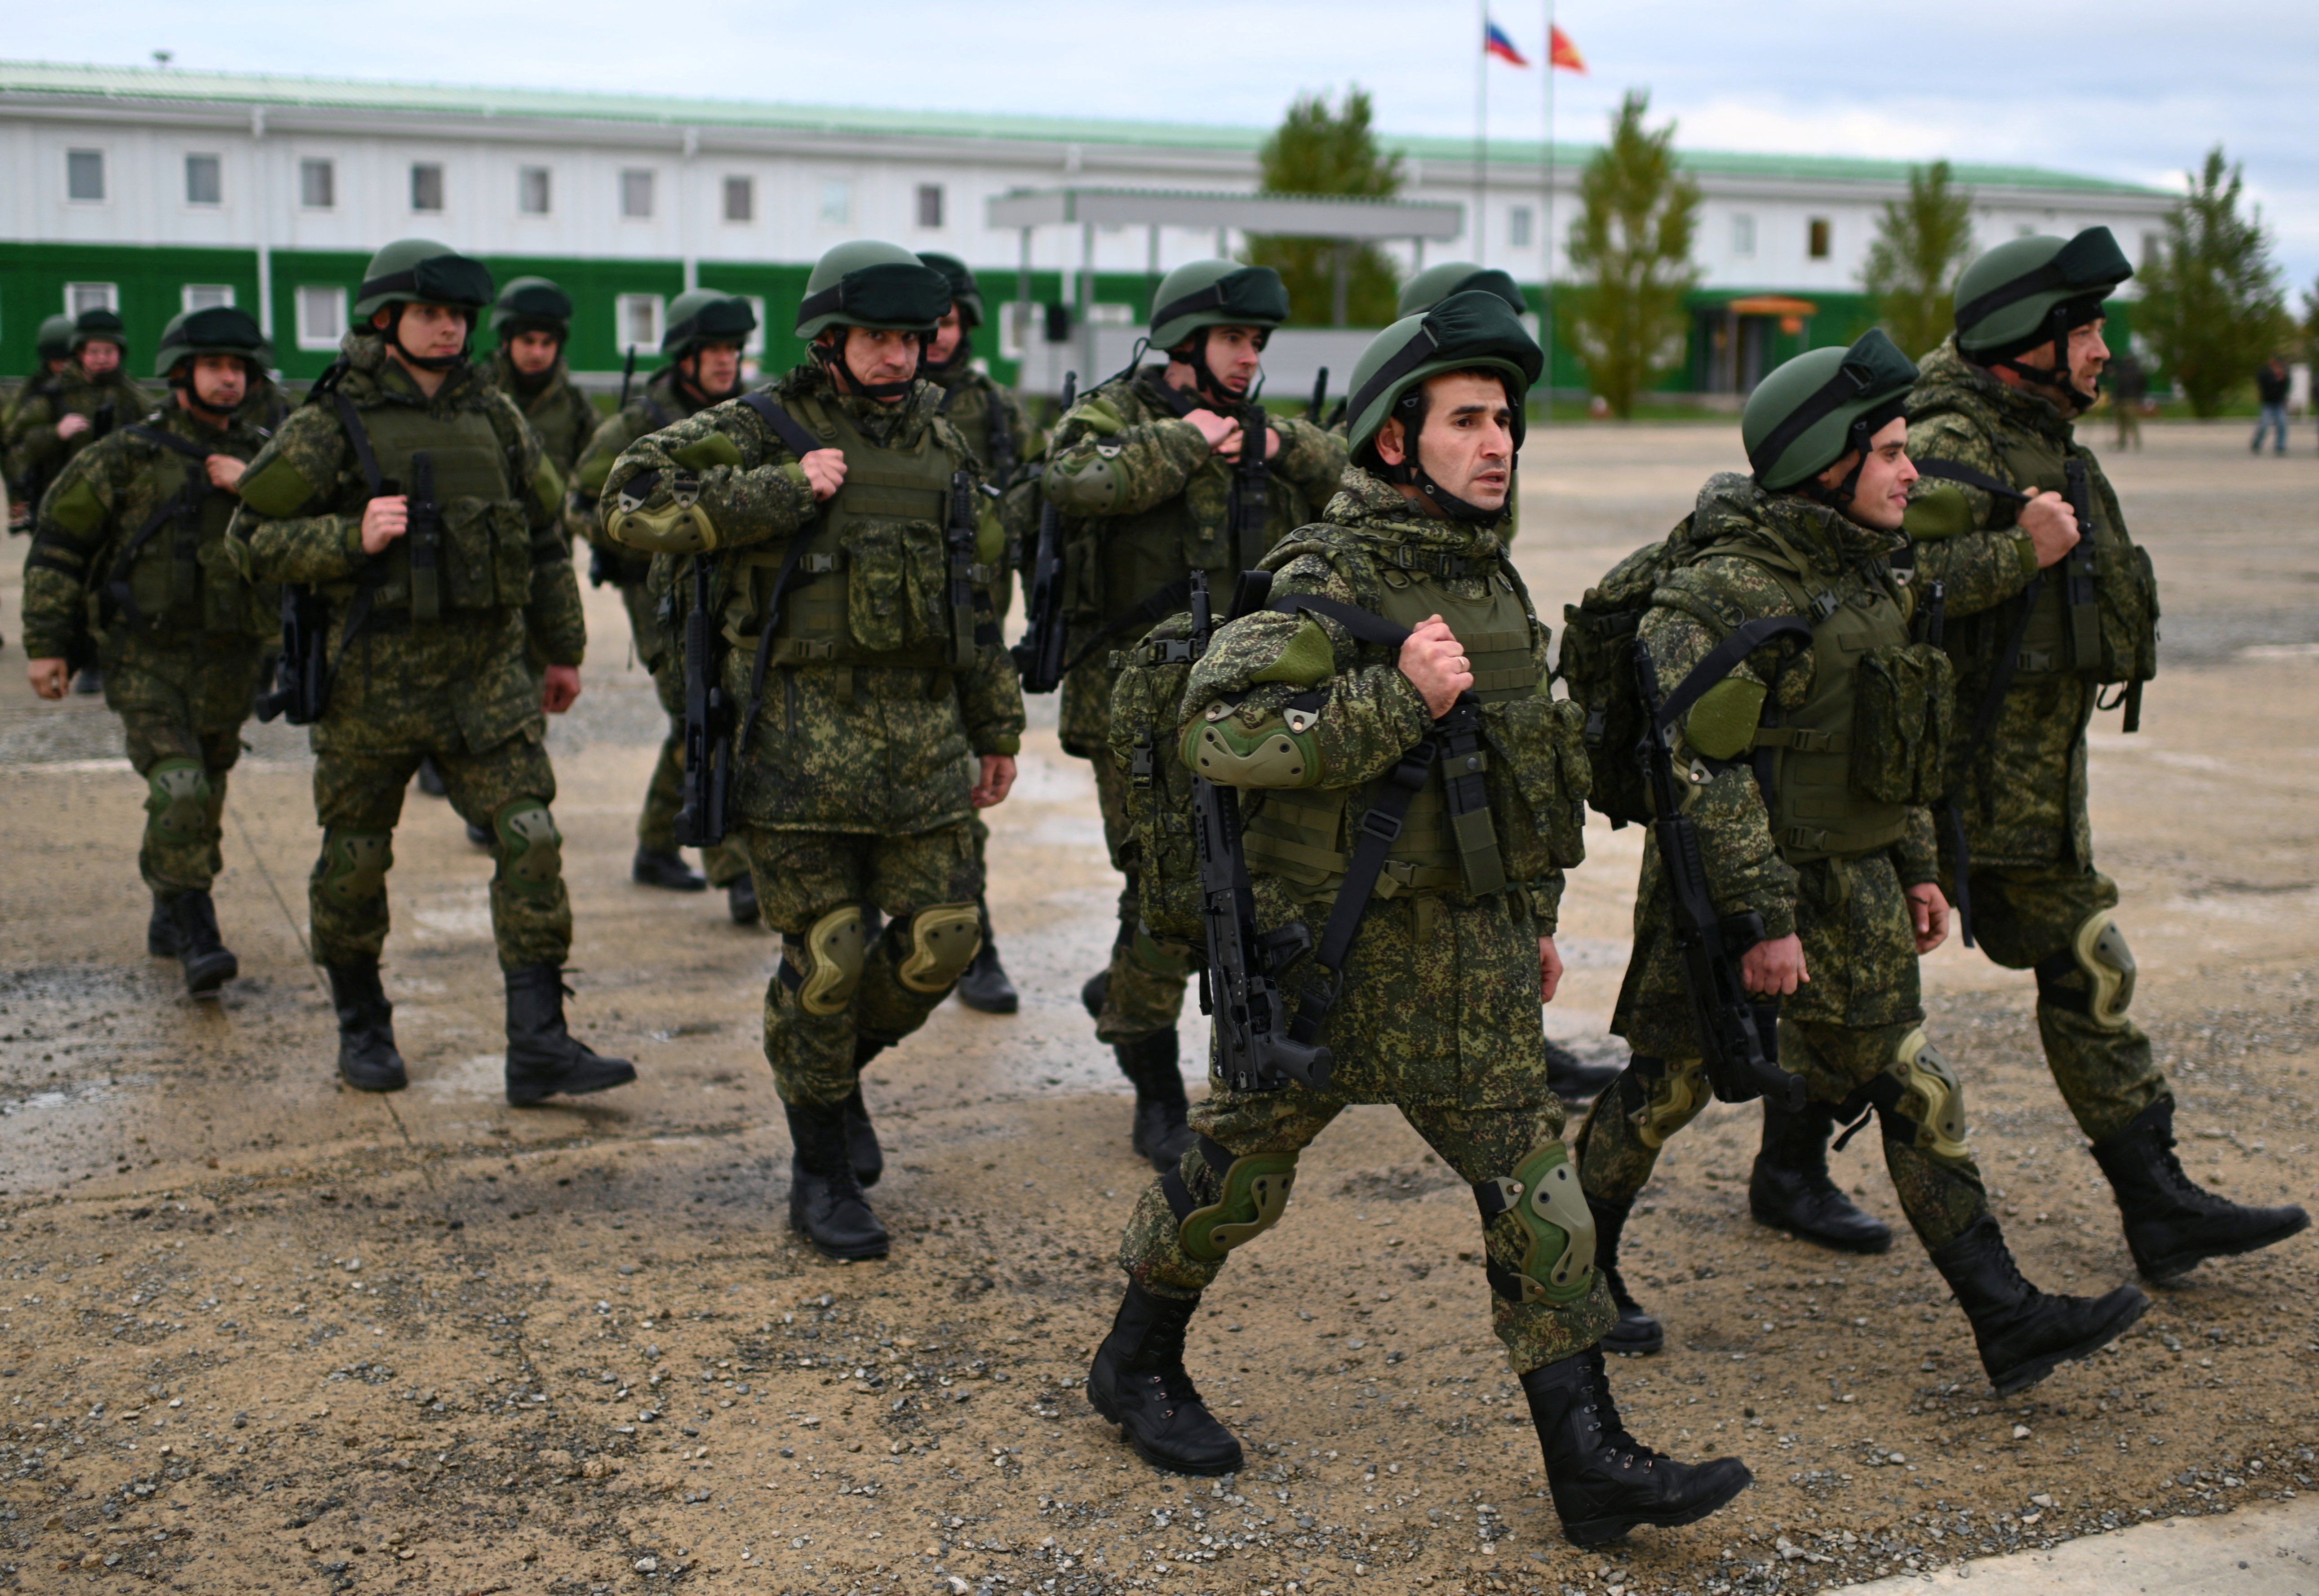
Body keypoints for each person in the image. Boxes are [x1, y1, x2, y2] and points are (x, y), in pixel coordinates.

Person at [1087, 295, 1751, 1546]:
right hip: (1336, 962)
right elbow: (1215, 733)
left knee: (1538, 1197)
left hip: (1473, 957)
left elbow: (1520, 773)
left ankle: (1588, 1458)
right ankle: (1134, 1361)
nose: (1498, 442)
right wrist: (1393, 701)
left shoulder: (1484, 581)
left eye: (1505, 420)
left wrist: (1531, 911)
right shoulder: (1322, 577)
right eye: (1465, 420)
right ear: (1396, 440)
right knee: (1233, 1177)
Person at [1577, 330, 2154, 1401]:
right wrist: (1760, 919)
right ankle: (1577, 1273)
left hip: (1856, 886)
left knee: (1911, 1084)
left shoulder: (1876, 577)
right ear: (1823, 463)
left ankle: (2005, 1314)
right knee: (1665, 1087)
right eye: (1888, 451)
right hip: (1734, 898)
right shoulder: (1720, 593)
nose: (1911, 471)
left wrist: (1923, 864)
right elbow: (1706, 775)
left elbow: (1902, 746)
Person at [1750, 228, 2308, 1282]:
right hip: (1925, 785)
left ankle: (2156, 1198)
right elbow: (1875, 582)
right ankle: (1787, 1171)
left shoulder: (2046, 436)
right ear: (2023, 339)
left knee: (2087, 965)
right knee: (1857, 997)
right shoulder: (1943, 436)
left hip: (2035, 789)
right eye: (2083, 329)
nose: (2102, 349)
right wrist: (2024, 550)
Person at [601, 241, 1024, 1261]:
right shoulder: (763, 427)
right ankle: (820, 1165)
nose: (898, 357)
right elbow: (628, 498)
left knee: (944, 942)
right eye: (878, 339)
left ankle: (829, 1078)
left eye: (911, 339)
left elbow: (974, 599)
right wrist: (776, 492)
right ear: (830, 340)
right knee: (829, 955)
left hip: (919, 750)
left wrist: (995, 725)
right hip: (792, 753)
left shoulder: (942, 446)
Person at [227, 237, 634, 1106]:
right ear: (385, 320)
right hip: (371, 682)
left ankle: (539, 1043)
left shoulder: (495, 418)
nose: (448, 330)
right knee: (356, 859)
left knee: (530, 839)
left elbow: (542, 536)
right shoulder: (329, 423)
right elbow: (249, 541)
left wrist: (563, 650)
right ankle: (363, 1022)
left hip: (485, 677)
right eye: (429, 314)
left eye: (457, 317)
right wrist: (349, 537)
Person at [1041, 259, 1348, 1171]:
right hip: (1133, 706)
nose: (1251, 358)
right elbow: (1073, 479)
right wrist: (1189, 442)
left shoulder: (1265, 432)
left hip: (1245, 703)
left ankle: (1225, 1053)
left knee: (1259, 887)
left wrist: (1278, 448)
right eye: (1235, 340)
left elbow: (1352, 478)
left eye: (1259, 343)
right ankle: (1152, 1078)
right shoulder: (1115, 415)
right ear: (1185, 342)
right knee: (1169, 898)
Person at [19, 307, 283, 994]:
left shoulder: (268, 458)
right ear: (180, 374)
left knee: (208, 787)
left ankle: (170, 903)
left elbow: (308, 542)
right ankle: (198, 928)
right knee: (181, 784)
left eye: (239, 369)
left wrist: (253, 488)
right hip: (145, 658)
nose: (229, 380)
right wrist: (48, 646)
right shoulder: (126, 455)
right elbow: (59, 546)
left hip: (232, 657)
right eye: (214, 367)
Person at [568, 289, 759, 916]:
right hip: (654, 592)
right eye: (713, 350)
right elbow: (582, 502)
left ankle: (656, 845)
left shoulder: (750, 416)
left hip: (725, 586)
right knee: (700, 710)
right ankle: (734, 873)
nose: (726, 361)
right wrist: (650, 530)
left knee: (703, 713)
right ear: (683, 355)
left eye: (734, 349)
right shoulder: (637, 423)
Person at [918, 250, 1042, 1015]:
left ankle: (975, 943)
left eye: (950, 319)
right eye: (925, 320)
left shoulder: (996, 409)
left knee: (969, 790)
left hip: (972, 635)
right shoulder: (875, 407)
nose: (936, 334)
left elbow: (1034, 510)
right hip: (879, 635)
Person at [7, 308, 151, 693]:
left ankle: (105, 659)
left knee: (115, 583)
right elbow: (16, 444)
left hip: (120, 509)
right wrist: (56, 432)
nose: (103, 358)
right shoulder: (54, 395)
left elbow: (160, 435)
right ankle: (76, 657)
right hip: (64, 509)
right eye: (94, 350)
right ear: (79, 353)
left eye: (110, 350)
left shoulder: (132, 396)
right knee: (65, 585)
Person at [488, 277, 599, 480]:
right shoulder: (480, 397)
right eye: (528, 341)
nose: (537, 353)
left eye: (547, 343)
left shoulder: (577, 407)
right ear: (506, 342)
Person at [3, 313, 77, 530]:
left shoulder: (85, 385)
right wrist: (16, 497)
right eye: (58, 361)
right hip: (41, 481)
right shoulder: (34, 391)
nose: (64, 366)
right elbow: (11, 441)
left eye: (69, 360)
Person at [2108, 347, 2146, 452]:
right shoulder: (2136, 372)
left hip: (2128, 399)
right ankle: (2126, 443)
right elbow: (2143, 386)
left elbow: (2142, 385)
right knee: (2125, 423)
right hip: (2127, 399)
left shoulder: (2125, 372)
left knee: (2129, 423)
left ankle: (2133, 443)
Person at [2253, 355, 2290, 455]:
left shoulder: (2284, 376)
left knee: (2282, 424)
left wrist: (2282, 380)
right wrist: (2274, 381)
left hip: (2279, 404)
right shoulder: (2265, 374)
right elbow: (2263, 385)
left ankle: (2280, 446)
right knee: (2264, 424)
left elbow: (2285, 390)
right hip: (2268, 403)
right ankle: (2257, 443)